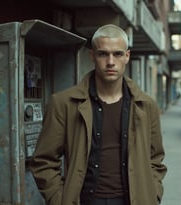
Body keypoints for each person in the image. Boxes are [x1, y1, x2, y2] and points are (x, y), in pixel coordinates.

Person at [29, 24, 167, 205]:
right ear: (92, 56)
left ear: (127, 56)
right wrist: (59, 199)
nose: (111, 62)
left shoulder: (146, 106)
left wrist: (153, 194)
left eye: (117, 54)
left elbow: (155, 159)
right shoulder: (63, 104)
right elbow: (43, 161)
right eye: (103, 54)